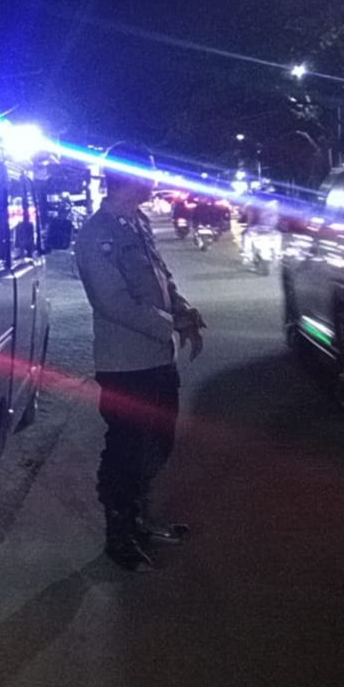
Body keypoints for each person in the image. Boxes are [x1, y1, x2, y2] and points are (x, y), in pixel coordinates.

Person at [75, 170, 206, 571]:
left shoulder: (138, 222)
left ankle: (141, 520)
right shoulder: (96, 234)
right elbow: (111, 302)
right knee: (127, 449)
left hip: (158, 359)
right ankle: (120, 535)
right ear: (125, 180)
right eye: (144, 173)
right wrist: (170, 324)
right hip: (125, 364)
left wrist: (183, 310)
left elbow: (163, 279)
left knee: (158, 442)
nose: (152, 181)